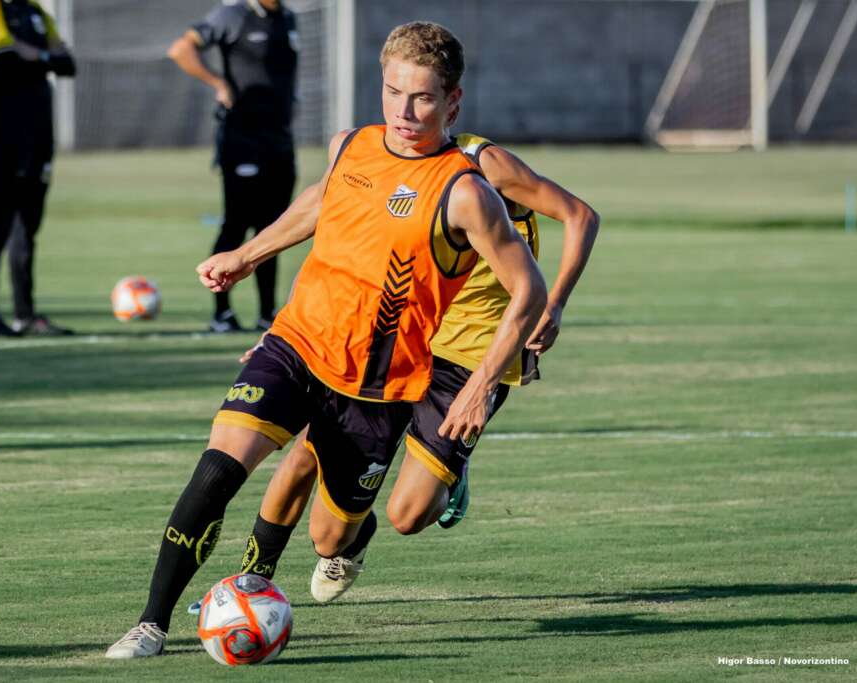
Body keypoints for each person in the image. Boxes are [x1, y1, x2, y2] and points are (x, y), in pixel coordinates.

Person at [105, 21, 547, 658]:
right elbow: (321, 201)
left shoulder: (468, 192)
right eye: (393, 92)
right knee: (218, 469)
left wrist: (479, 388)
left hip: (379, 386)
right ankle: (151, 622)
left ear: (452, 102)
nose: (403, 110)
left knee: (330, 538)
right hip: (298, 344)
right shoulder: (353, 146)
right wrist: (249, 254)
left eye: (422, 97)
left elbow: (527, 290)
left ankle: (350, 541)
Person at [223, 131, 600, 604]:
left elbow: (581, 216)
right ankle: (250, 582)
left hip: (471, 354)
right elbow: (339, 256)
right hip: (400, 339)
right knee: (311, 472)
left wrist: (556, 303)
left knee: (409, 515)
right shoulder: (384, 166)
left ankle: (450, 477)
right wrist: (289, 329)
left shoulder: (485, 166)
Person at [168, 0, 298, 333]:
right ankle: (221, 313)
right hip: (243, 140)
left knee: (275, 228)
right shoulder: (234, 15)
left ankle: (267, 313)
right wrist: (219, 85)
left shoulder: (287, 18)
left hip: (279, 141)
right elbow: (181, 49)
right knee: (237, 224)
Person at [0, 0, 75, 338]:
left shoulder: (35, 12)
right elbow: (4, 54)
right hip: (5, 134)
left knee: (27, 227)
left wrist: (38, 55)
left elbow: (67, 63)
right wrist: (44, 57)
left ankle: (24, 314)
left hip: (39, 135)